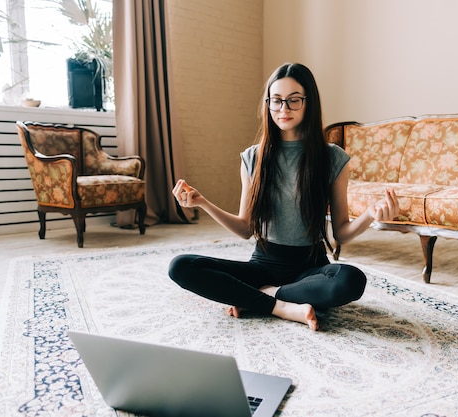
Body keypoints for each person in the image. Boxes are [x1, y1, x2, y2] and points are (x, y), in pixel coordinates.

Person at [169, 63, 399, 331]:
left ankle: (262, 295)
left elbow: (342, 234)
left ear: (309, 102)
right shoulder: (253, 157)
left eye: (294, 101)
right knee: (181, 266)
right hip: (262, 265)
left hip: (310, 268)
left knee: (350, 280)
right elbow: (245, 229)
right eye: (276, 101)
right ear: (268, 104)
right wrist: (202, 203)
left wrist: (371, 214)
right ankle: (281, 306)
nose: (283, 109)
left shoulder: (331, 158)